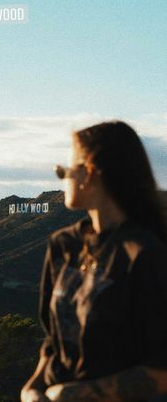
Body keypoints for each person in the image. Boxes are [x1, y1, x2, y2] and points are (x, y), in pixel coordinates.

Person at [21, 120, 167, 402]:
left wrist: (79, 394)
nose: (63, 178)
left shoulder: (145, 254)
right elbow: (54, 343)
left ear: (88, 173)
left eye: (65, 171)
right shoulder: (63, 245)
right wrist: (32, 389)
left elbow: (162, 371)